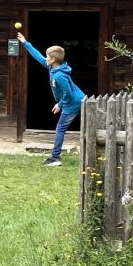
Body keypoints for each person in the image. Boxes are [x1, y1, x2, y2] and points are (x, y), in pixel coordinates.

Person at [17, 32, 86, 166]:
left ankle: (55, 158)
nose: (45, 58)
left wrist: (60, 104)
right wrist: (25, 43)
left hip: (74, 102)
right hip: (74, 100)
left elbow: (68, 94)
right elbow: (38, 57)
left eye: (47, 56)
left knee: (60, 129)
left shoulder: (59, 75)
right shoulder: (52, 67)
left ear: (53, 59)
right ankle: (56, 157)